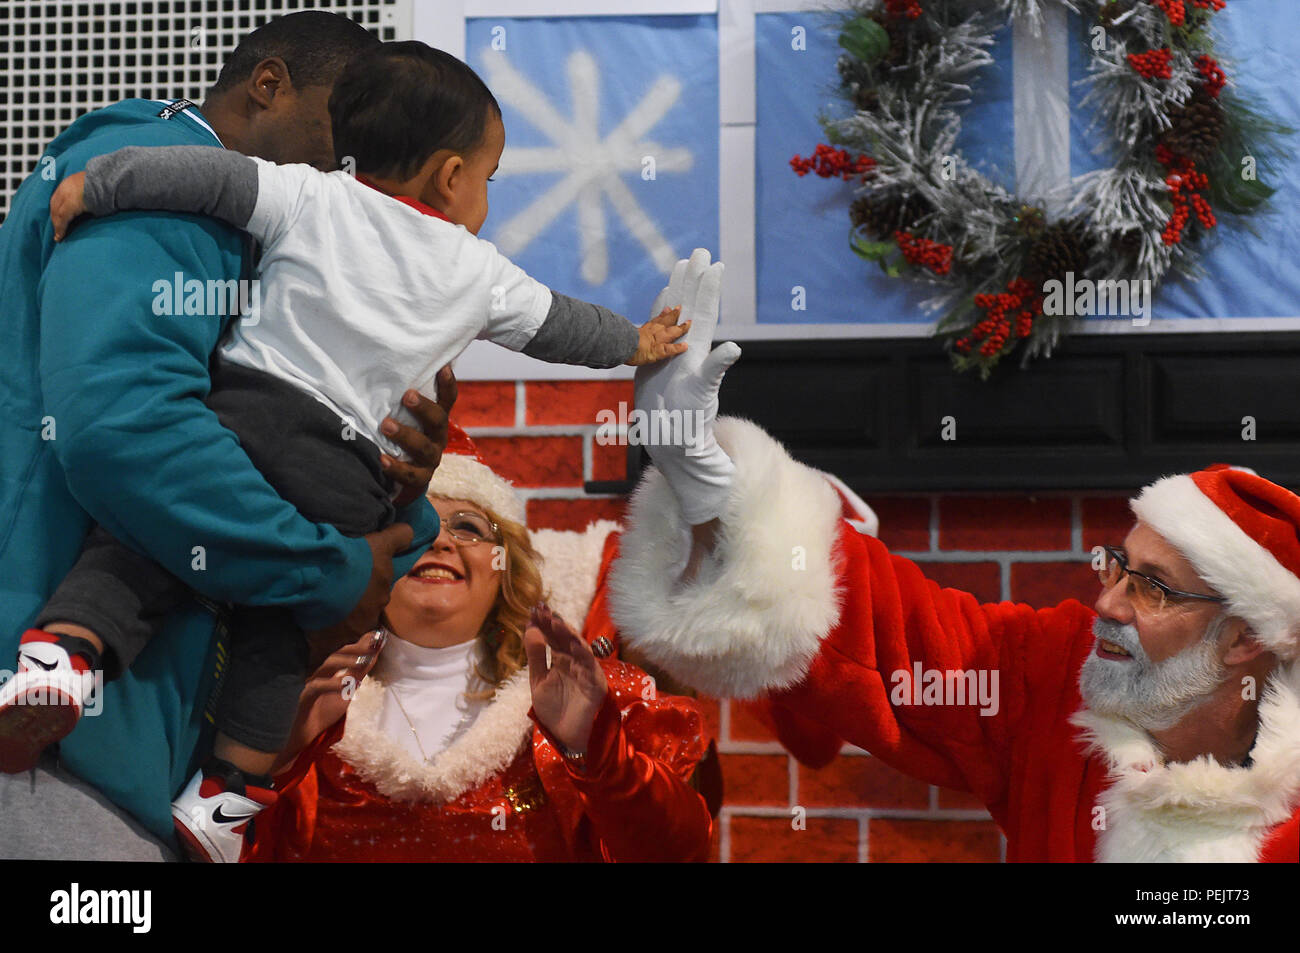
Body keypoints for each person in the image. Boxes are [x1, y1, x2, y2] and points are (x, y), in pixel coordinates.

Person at [9, 41, 687, 861]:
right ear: (450, 177)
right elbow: (564, 326)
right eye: (489, 176)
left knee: (140, 551)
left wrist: (100, 186)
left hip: (253, 418)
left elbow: (199, 182)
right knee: (277, 629)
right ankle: (228, 796)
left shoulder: (309, 196)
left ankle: (64, 651)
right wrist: (640, 342)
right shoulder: (479, 268)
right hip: (341, 472)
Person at [602, 249, 1300, 863]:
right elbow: (895, 638)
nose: (1107, 602)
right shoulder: (1060, 677)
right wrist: (706, 478)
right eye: (1117, 565)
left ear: (1244, 637)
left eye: (1152, 588)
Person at [0, 12, 452, 861]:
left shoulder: (288, 253)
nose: (352, 170)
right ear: (269, 85)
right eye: (340, 133)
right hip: (46, 759)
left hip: (120, 768)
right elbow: (122, 424)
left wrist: (402, 483)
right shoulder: (166, 176)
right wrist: (328, 568)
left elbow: (288, 465)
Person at [245, 427, 714, 862]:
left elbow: (679, 852)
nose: (440, 542)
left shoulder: (577, 698)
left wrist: (594, 748)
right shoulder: (305, 695)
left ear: (504, 567)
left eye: (467, 527)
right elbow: (222, 845)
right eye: (415, 523)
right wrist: (280, 759)